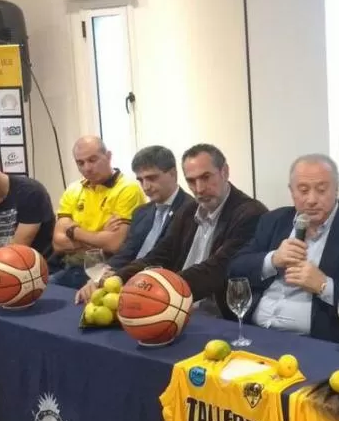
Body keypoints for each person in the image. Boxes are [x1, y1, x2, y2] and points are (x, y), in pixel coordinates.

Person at [76, 144, 267, 318]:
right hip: (174, 304)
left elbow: (217, 269)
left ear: (224, 172)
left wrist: (152, 289)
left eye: (206, 177)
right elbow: (158, 256)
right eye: (191, 181)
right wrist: (115, 279)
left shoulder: (250, 213)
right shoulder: (189, 210)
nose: (199, 189)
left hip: (217, 313)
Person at [229, 154, 339, 350]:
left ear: (336, 189)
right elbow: (234, 270)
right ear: (292, 191)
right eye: (303, 190)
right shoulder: (273, 221)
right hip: (255, 335)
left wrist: (324, 286)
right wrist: (273, 259)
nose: (312, 200)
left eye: (321, 190)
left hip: (319, 344)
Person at [50, 136, 145, 288]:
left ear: (108, 156)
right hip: (69, 266)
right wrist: (100, 235)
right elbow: (58, 243)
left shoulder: (127, 189)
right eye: (80, 163)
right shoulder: (73, 189)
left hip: (106, 270)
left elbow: (114, 244)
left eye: (92, 160)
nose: (87, 168)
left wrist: (73, 231)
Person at [103, 145, 193, 272]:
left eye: (151, 178)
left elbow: (168, 260)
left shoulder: (191, 211)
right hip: (128, 278)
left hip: (161, 282)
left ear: (173, 174)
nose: (145, 187)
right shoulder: (140, 212)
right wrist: (105, 271)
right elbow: (127, 252)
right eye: (140, 180)